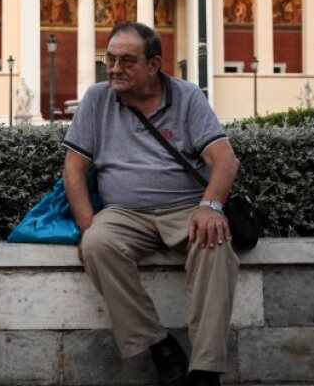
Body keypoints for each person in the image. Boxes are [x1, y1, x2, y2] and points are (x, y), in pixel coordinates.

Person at [63, 22, 241, 386]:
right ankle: (159, 346)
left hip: (187, 209)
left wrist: (211, 207)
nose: (114, 69)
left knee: (216, 244)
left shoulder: (188, 96)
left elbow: (225, 160)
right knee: (97, 244)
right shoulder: (97, 98)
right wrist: (87, 226)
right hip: (124, 213)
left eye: (127, 61)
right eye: (110, 59)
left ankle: (206, 369)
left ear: (154, 64)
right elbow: (74, 167)